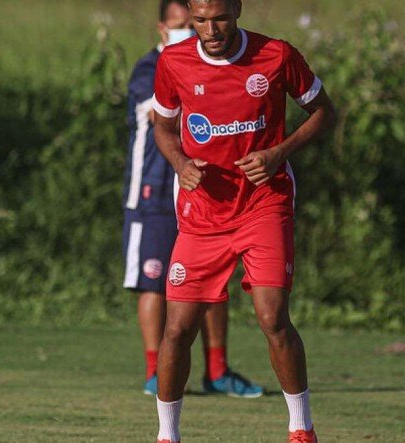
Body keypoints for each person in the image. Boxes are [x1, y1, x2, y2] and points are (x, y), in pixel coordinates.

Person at [150, 0, 336, 441]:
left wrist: (278, 153)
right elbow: (163, 126)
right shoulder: (173, 61)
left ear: (237, 10)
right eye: (199, 20)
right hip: (202, 213)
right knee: (177, 329)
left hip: (263, 205)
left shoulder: (276, 55)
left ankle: (301, 430)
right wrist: (179, 162)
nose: (210, 29)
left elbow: (325, 112)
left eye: (219, 18)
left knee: (273, 319)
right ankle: (166, 435)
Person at [122, 0, 263, 399]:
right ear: (162, 29)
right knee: (153, 283)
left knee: (212, 284)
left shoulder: (216, 61)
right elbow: (161, 114)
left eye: (198, 22)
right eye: (184, 24)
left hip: (204, 189)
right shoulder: (152, 68)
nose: (197, 30)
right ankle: (155, 372)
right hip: (153, 189)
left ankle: (217, 371)